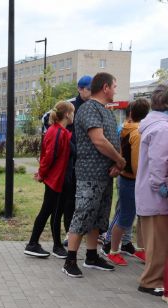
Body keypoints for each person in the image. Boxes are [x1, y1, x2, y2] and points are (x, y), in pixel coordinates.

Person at [62, 72, 126, 278]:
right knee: (83, 213)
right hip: (90, 173)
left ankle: (91, 256)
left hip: (105, 173)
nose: (116, 90)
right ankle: (70, 260)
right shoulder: (89, 108)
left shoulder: (106, 111)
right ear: (105, 87)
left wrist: (117, 163)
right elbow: (98, 140)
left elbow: (112, 139)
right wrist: (119, 160)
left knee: (99, 216)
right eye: (114, 86)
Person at [101, 98, 151, 266]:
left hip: (127, 178)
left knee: (139, 217)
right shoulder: (137, 133)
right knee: (125, 218)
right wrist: (142, 178)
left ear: (130, 113)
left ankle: (140, 249)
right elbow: (136, 163)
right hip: (132, 180)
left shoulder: (126, 128)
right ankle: (113, 250)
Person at [24, 101, 75, 258]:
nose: (74, 115)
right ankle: (34, 244)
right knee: (48, 211)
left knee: (52, 211)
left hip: (58, 179)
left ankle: (54, 246)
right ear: (67, 114)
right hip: (55, 180)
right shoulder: (57, 132)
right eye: (72, 112)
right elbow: (49, 157)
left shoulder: (59, 131)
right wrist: (42, 174)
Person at [135, 84, 168, 297]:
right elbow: (160, 162)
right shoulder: (163, 128)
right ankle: (150, 281)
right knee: (158, 241)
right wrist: (162, 187)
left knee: (153, 240)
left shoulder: (152, 124)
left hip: (148, 193)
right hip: (156, 195)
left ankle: (151, 277)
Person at [55, 75, 93, 246]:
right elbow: (49, 121)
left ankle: (87, 231)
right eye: (89, 89)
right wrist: (70, 146)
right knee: (70, 198)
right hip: (71, 161)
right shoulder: (71, 106)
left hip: (89, 161)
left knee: (85, 198)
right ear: (80, 89)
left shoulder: (94, 106)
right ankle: (69, 233)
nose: (91, 92)